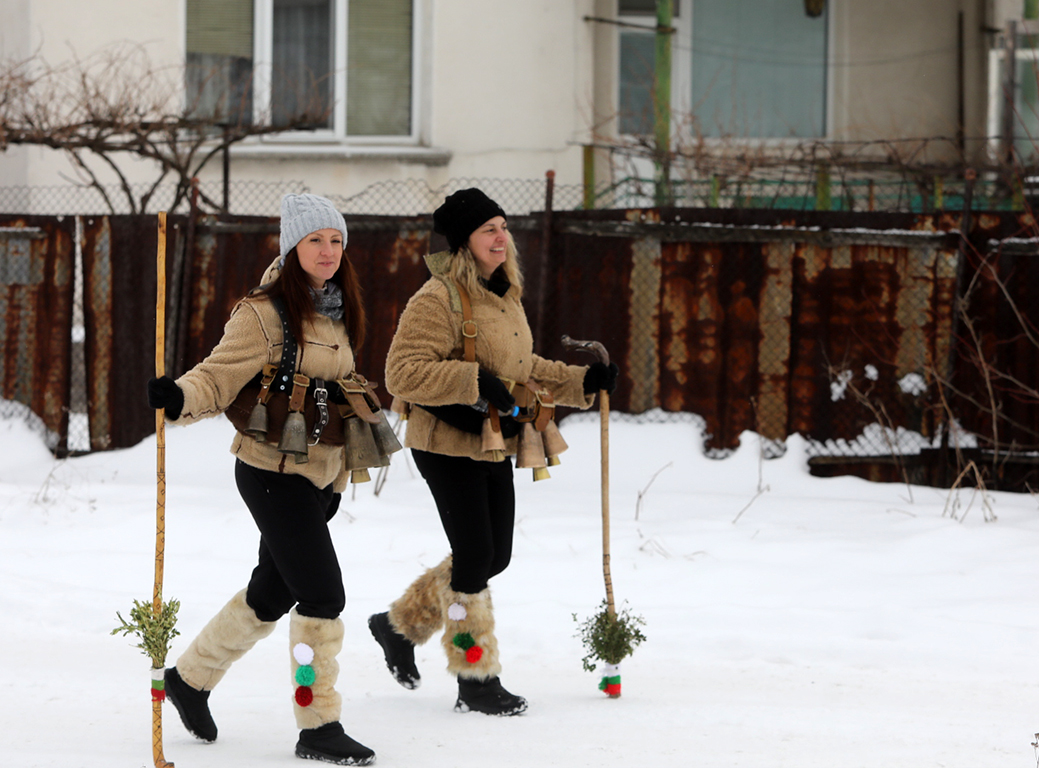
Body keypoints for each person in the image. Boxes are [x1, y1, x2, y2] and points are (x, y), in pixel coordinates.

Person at [147, 193, 397, 766]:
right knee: (323, 595)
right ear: (292, 247)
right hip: (271, 474)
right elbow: (218, 374)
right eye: (316, 240)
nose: (329, 251)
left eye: (336, 240)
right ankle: (318, 724)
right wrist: (179, 396)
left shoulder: (337, 306)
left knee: (272, 590)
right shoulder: (262, 312)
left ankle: (188, 680)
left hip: (322, 478)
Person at [368, 188, 619, 716]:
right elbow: (401, 373)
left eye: (503, 226)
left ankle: (395, 628)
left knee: (493, 555)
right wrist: (473, 379)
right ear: (465, 242)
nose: (501, 237)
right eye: (489, 229)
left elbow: (525, 369)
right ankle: (476, 677)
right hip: (443, 443)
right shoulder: (437, 299)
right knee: (476, 558)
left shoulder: (505, 295)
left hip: (490, 442)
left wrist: (584, 381)